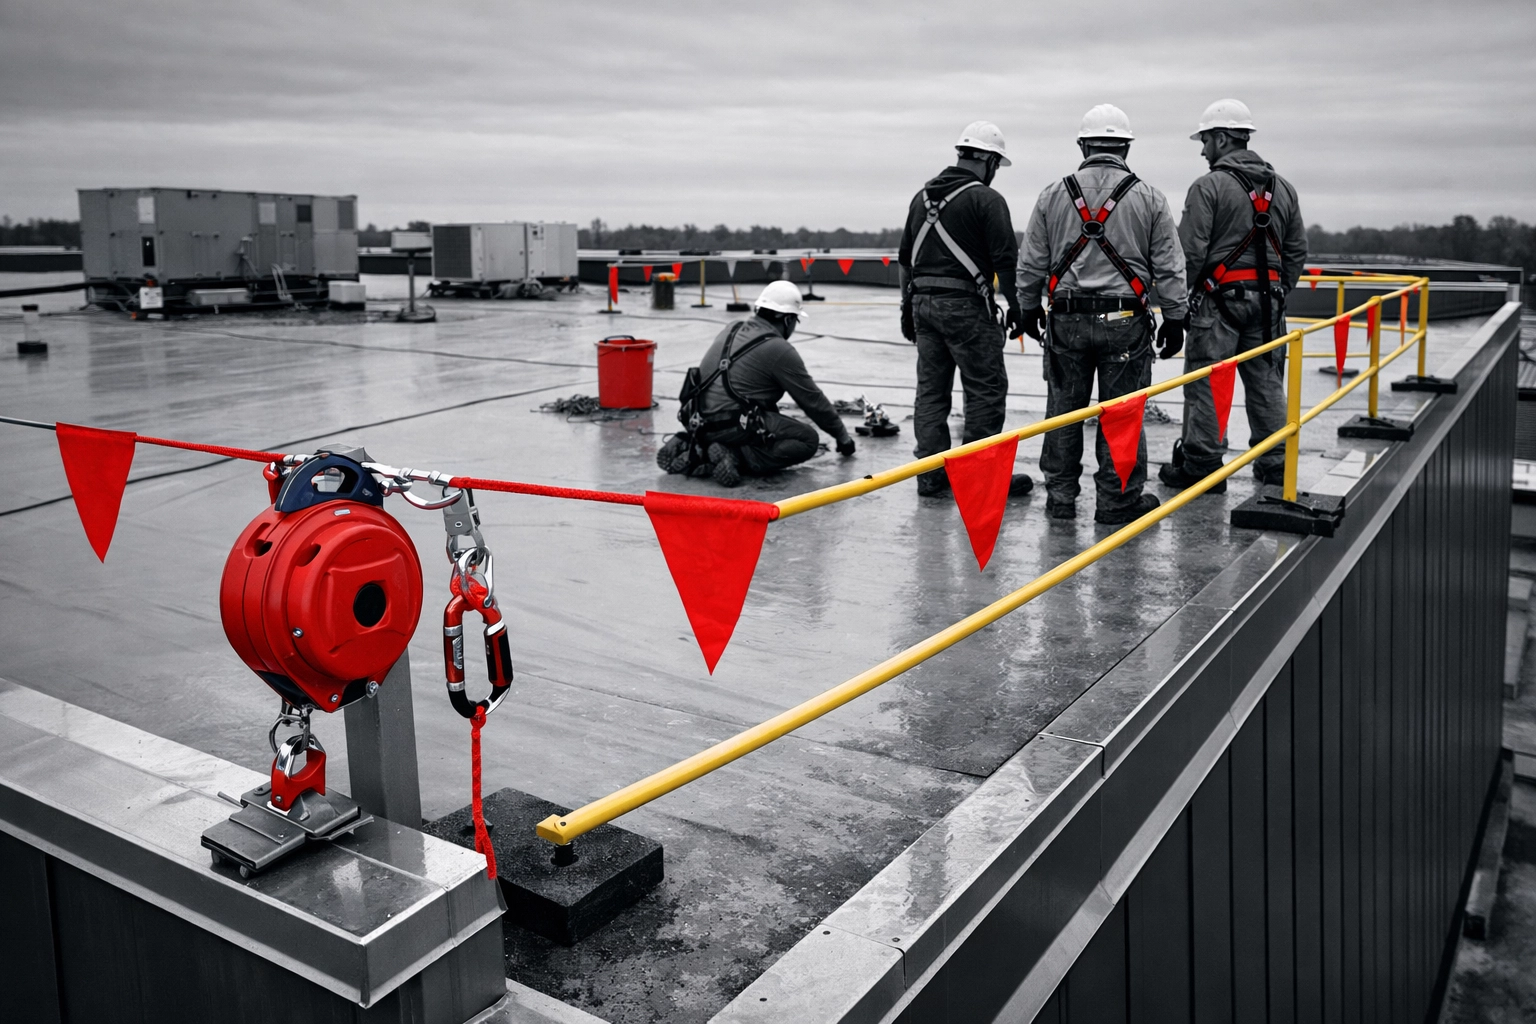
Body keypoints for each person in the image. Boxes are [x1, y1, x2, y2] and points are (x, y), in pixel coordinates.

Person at [1015, 104, 1188, 524]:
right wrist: (1176, 317)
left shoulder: (1053, 195)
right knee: (1124, 415)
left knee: (1063, 411)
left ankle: (1060, 499)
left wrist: (1025, 307)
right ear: (1126, 148)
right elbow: (1169, 263)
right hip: (1125, 323)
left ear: (1082, 145)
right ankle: (1117, 503)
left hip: (1067, 321)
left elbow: (1031, 261)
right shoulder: (1149, 197)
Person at [1158, 99, 1307, 493]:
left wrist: (1178, 304)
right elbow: (1295, 252)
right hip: (1270, 303)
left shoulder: (1208, 187)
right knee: (1266, 381)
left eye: (1206, 140)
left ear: (1223, 138)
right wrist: (1278, 291)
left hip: (1219, 300)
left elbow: (1189, 252)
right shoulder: (1284, 188)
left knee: (1208, 381)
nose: (1202, 149)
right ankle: (1276, 464)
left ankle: (1203, 466)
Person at [898, 120, 1032, 499]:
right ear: (988, 160)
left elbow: (904, 261)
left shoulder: (920, 198)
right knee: (985, 391)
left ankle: (930, 477)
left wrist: (906, 308)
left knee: (931, 393)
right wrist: (1018, 308)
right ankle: (979, 479)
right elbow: (1006, 262)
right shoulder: (987, 201)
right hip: (966, 309)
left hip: (923, 305)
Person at [657, 279, 855, 487]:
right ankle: (734, 455)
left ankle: (697, 445)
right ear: (786, 319)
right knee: (806, 440)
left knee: (762, 414)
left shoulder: (733, 328)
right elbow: (813, 402)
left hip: (697, 419)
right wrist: (843, 438)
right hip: (731, 423)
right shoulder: (779, 349)